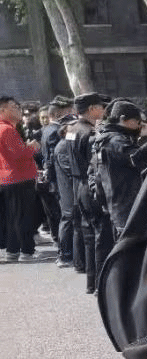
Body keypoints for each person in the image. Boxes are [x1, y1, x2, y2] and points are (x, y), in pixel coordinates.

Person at [60, 92, 108, 291]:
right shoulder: (89, 133)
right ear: (91, 109)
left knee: (88, 235)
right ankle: (100, 283)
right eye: (101, 106)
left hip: (78, 185)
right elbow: (94, 164)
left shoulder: (71, 129)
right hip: (90, 184)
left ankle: (91, 282)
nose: (103, 110)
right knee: (101, 234)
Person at [94, 99, 147, 236]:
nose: (140, 125)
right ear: (123, 119)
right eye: (137, 121)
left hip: (117, 202)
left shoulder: (106, 138)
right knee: (131, 243)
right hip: (126, 203)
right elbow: (137, 158)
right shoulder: (116, 141)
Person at [0, 94, 42, 262]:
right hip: (19, 177)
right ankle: (27, 251)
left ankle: (13, 250)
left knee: (12, 217)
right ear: (2, 110)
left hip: (8, 178)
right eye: (14, 107)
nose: (18, 110)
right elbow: (19, 154)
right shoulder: (7, 129)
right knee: (24, 216)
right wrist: (32, 147)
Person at [41, 97, 75, 265]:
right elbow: (55, 159)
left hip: (55, 180)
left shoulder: (47, 129)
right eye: (68, 112)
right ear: (59, 114)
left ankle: (64, 251)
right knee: (66, 217)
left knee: (62, 217)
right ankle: (65, 253)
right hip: (60, 181)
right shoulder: (55, 131)